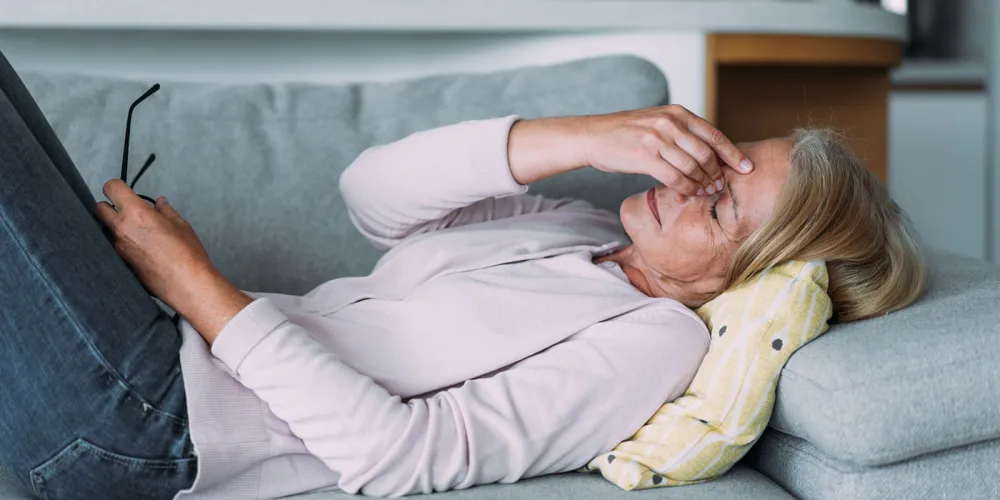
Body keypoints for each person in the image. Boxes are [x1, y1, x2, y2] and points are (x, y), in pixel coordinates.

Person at [0, 48, 926, 500]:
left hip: (146, 423)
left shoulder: (652, 344)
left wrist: (198, 285)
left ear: (744, 278)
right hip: (157, 348)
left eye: (719, 204)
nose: (687, 181)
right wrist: (584, 136)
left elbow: (401, 457)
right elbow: (373, 196)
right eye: (716, 158)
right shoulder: (582, 232)